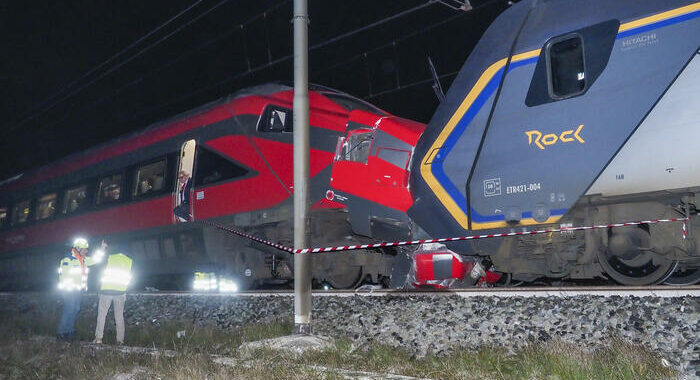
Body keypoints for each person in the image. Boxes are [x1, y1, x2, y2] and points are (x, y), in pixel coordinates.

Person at [57, 238, 106, 341]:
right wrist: (65, 292)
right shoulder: (67, 260)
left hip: (78, 291)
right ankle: (61, 332)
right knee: (69, 310)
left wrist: (101, 250)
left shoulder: (83, 260)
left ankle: (69, 331)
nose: (86, 251)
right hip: (70, 290)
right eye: (84, 249)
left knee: (75, 309)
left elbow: (95, 260)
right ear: (78, 248)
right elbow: (63, 277)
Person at [93, 250, 133, 345]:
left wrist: (99, 289)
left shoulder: (109, 257)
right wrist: (125, 291)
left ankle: (98, 338)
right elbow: (130, 278)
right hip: (120, 292)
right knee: (119, 317)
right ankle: (120, 340)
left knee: (102, 315)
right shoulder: (129, 261)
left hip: (106, 290)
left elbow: (100, 274)